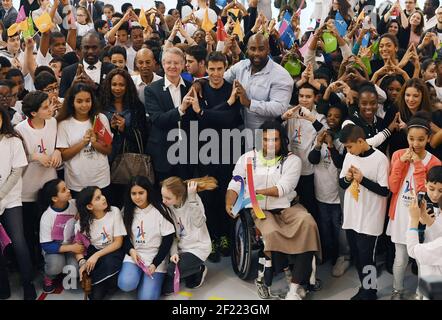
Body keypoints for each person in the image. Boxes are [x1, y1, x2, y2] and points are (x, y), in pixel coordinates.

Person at [226, 120, 321, 300]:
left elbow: (282, 189)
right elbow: (235, 183)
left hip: (287, 206)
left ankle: (294, 290)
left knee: (309, 224)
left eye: (275, 140)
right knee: (271, 233)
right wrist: (229, 202)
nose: (270, 144)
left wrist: (254, 191)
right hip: (260, 210)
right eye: (266, 140)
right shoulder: (247, 159)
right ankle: (286, 270)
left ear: (282, 140)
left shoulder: (293, 160)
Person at [192, 51, 243, 262]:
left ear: (226, 68)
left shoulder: (233, 89)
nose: (215, 73)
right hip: (205, 151)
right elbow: (201, 121)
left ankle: (225, 237)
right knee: (208, 197)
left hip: (228, 150)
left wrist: (206, 112)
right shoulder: (199, 88)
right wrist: (226, 104)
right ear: (206, 69)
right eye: (211, 69)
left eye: (219, 69)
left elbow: (229, 118)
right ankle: (212, 239)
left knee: (226, 194)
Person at [387, 113, 441, 300]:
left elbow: (424, 194)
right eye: (411, 138)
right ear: (406, 137)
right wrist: (400, 164)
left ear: (428, 138)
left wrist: (418, 165)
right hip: (400, 216)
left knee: (424, 260)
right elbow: (393, 187)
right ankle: (397, 290)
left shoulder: (434, 162)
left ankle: (423, 293)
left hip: (424, 217)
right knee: (400, 258)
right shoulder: (398, 155)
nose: (416, 143)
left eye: (421, 139)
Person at [339, 124, 390, 300]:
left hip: (370, 218)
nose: (348, 150)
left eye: (349, 146)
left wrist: (362, 180)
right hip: (352, 216)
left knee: (367, 258)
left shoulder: (380, 159)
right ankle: (364, 287)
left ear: (360, 141)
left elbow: (385, 190)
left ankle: (370, 292)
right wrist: (347, 178)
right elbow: (342, 183)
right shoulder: (350, 155)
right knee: (358, 257)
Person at [15, 91, 61, 267]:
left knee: (49, 229)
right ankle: (33, 265)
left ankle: (49, 265)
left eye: (49, 104)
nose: (50, 109)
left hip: (49, 184)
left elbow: (59, 145)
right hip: (27, 187)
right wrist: (35, 157)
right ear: (33, 113)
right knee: (29, 230)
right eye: (45, 107)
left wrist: (57, 151)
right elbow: (15, 158)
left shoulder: (53, 122)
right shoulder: (20, 129)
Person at [117, 176, 175, 300]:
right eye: (134, 193)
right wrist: (131, 251)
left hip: (155, 257)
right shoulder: (126, 210)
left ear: (148, 191)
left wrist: (155, 263)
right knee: (125, 284)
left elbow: (167, 240)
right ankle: (138, 277)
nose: (137, 197)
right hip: (135, 255)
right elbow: (125, 237)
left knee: (147, 298)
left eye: (141, 193)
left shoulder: (160, 210)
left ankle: (155, 281)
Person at [221, 33, 293, 130]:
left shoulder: (281, 75)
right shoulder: (241, 66)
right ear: (247, 50)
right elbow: (220, 79)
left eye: (261, 49)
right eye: (253, 49)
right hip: (242, 131)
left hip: (267, 135)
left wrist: (249, 103)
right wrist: (200, 82)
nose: (256, 53)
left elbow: (279, 108)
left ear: (268, 50)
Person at [0, 107, 36, 300]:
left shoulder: (13, 140)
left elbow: (17, 171)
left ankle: (27, 283)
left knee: (18, 241)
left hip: (11, 198)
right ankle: (3, 285)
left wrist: (1, 194)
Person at [144, 47, 195, 183]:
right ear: (162, 64)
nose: (172, 66)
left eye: (177, 63)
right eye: (169, 63)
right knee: (164, 196)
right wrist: (181, 108)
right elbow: (158, 120)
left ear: (183, 65)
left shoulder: (192, 87)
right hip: (162, 153)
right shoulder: (151, 90)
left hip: (187, 153)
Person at [100, 68, 148, 207]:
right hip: (107, 159)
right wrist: (110, 126)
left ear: (128, 86)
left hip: (130, 161)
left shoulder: (136, 106)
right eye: (114, 84)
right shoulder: (101, 106)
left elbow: (143, 134)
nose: (117, 88)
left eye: (122, 85)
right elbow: (96, 133)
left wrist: (124, 128)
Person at [56, 83, 112, 198]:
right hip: (76, 182)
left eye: (88, 100)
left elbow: (108, 150)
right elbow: (64, 156)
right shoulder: (64, 124)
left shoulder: (100, 118)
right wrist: (83, 143)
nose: (84, 105)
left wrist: (95, 143)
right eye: (79, 101)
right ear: (72, 102)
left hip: (100, 179)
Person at [161, 176, 215, 294]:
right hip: (182, 247)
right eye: (163, 196)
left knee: (171, 270)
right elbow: (172, 234)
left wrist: (192, 199)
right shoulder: (168, 207)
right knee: (170, 284)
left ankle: (199, 268)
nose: (163, 201)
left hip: (198, 248)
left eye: (167, 198)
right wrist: (174, 252)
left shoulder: (193, 199)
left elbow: (199, 222)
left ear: (179, 196)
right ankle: (192, 271)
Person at [308, 104, 346, 266]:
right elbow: (312, 159)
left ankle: (341, 256)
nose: (332, 118)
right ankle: (328, 254)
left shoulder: (342, 141)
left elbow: (339, 163)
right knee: (324, 227)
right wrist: (318, 144)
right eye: (329, 115)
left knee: (338, 228)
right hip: (321, 194)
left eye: (336, 116)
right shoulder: (319, 137)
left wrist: (331, 145)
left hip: (336, 197)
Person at [75, 186, 126, 300]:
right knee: (95, 296)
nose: (103, 198)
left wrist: (96, 256)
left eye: (102, 194)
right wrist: (82, 262)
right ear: (89, 206)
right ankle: (104, 284)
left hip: (113, 251)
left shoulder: (114, 212)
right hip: (94, 252)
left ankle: (104, 283)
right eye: (98, 198)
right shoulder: (81, 223)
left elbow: (118, 242)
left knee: (109, 264)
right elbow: (78, 247)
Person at [38, 178, 82, 293]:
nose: (68, 191)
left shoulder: (74, 204)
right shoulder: (47, 216)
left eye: (67, 187)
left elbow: (87, 206)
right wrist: (72, 248)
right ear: (54, 198)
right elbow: (46, 246)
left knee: (75, 270)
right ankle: (49, 277)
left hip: (72, 245)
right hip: (55, 248)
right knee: (56, 266)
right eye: (63, 190)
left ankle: (64, 270)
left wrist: (81, 213)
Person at [59, 31, 115, 97]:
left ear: (100, 48)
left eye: (94, 47)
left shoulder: (112, 70)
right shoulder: (68, 72)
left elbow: (114, 97)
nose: (90, 51)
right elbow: (62, 99)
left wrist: (94, 85)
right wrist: (72, 87)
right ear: (81, 48)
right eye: (86, 47)